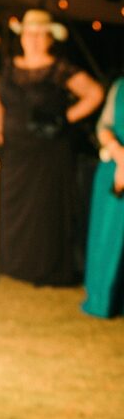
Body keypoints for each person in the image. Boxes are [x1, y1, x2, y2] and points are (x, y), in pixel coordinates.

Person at [0, 9, 103, 286]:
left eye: (41, 34)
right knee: (14, 209)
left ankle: (46, 269)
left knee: (45, 212)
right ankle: (14, 264)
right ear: (22, 37)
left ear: (50, 38)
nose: (35, 39)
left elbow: (95, 93)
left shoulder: (59, 69)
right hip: (15, 151)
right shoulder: (10, 66)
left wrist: (65, 118)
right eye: (30, 33)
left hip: (49, 151)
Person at [83, 73, 124, 317]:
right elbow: (104, 126)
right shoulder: (119, 85)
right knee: (106, 232)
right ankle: (102, 295)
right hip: (113, 168)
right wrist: (119, 155)